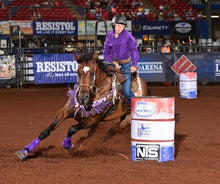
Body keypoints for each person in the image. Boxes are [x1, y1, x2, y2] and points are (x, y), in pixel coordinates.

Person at [103, 14, 139, 104]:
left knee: (126, 92)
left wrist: (134, 65)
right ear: (113, 25)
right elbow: (105, 52)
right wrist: (113, 62)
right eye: (118, 25)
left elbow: (134, 51)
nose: (119, 28)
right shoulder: (109, 36)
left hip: (126, 65)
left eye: (122, 26)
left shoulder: (128, 36)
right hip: (113, 64)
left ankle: (137, 105)